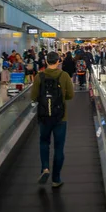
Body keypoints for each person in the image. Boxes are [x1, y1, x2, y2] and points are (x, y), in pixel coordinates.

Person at [32, 51, 74, 188]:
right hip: (61, 116)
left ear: (45, 61)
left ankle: (45, 168)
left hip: (44, 116)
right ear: (58, 61)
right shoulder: (64, 75)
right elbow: (70, 95)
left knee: (44, 142)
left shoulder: (39, 76)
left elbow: (33, 96)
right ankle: (56, 179)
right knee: (59, 147)